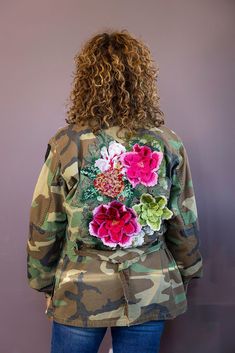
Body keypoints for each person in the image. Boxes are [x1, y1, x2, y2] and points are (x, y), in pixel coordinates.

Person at [26, 29, 203, 353]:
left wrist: (43, 281)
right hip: (149, 288)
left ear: (86, 81)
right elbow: (183, 216)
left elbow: (44, 221)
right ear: (143, 81)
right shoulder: (167, 142)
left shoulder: (66, 143)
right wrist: (187, 272)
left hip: (80, 288)